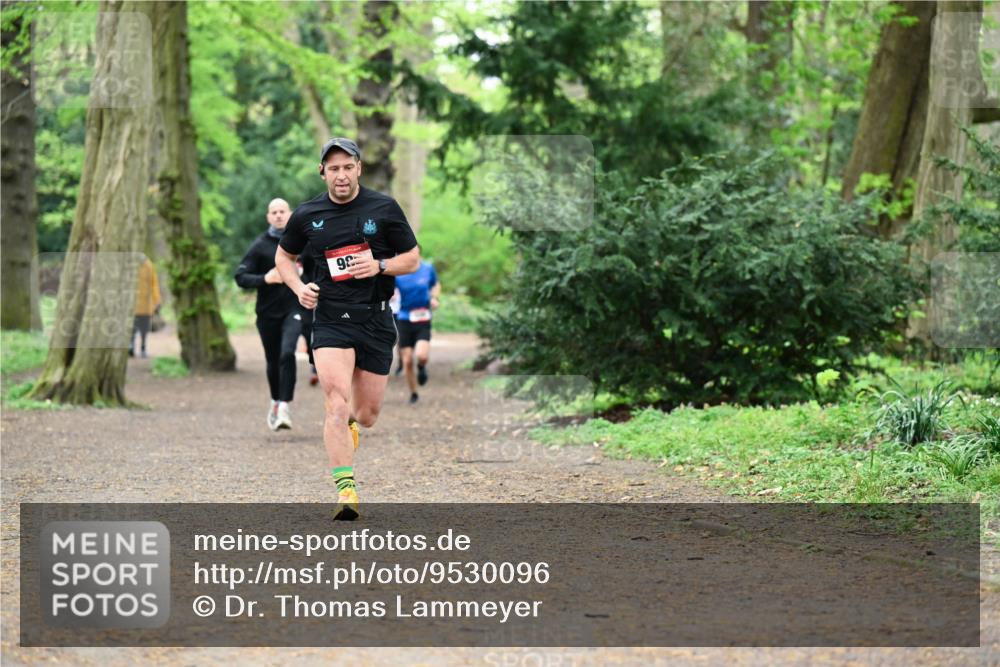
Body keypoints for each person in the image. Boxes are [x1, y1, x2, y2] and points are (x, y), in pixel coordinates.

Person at [275, 137, 419, 521]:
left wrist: (380, 266)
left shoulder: (384, 208)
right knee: (335, 402)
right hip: (330, 318)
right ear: (322, 172)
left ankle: (352, 426)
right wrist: (298, 287)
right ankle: (346, 490)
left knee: (366, 414)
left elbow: (412, 259)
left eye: (347, 167)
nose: (341, 175)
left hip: (375, 318)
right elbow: (284, 257)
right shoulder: (307, 214)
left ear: (359, 169)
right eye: (333, 168)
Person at [235, 198, 303, 431]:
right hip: (267, 313)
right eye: (274, 212)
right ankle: (275, 400)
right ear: (268, 217)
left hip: (295, 309)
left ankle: (284, 406)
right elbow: (240, 277)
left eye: (282, 211)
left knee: (287, 353)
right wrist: (266, 278)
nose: (278, 215)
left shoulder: (301, 243)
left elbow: (317, 269)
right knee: (273, 360)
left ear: (290, 214)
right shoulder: (260, 246)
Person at [394, 257, 440, 404]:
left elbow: (436, 284)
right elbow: (389, 290)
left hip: (423, 318)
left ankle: (421, 366)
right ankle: (414, 393)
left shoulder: (427, 268)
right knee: (407, 360)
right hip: (404, 318)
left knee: (422, 355)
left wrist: (434, 298)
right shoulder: (397, 271)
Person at [130, 256, 161, 358]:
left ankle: (143, 347)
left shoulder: (149, 265)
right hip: (134, 304)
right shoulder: (132, 264)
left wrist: (157, 299)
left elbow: (154, 284)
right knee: (133, 327)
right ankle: (131, 346)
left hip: (146, 304)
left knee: (144, 328)